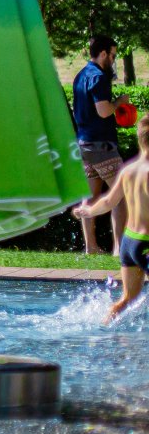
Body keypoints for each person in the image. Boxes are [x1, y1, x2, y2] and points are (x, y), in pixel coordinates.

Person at [73, 113, 149, 322]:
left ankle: (104, 327)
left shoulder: (128, 170)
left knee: (127, 299)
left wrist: (87, 211)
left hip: (129, 243)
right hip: (146, 244)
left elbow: (108, 202)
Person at [73, 34, 125, 255]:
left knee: (91, 196)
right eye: (112, 55)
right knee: (121, 195)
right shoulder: (99, 77)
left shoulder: (80, 75)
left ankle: (91, 246)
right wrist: (119, 103)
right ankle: (119, 248)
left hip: (83, 144)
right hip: (102, 145)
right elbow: (103, 110)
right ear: (103, 53)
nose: (113, 59)